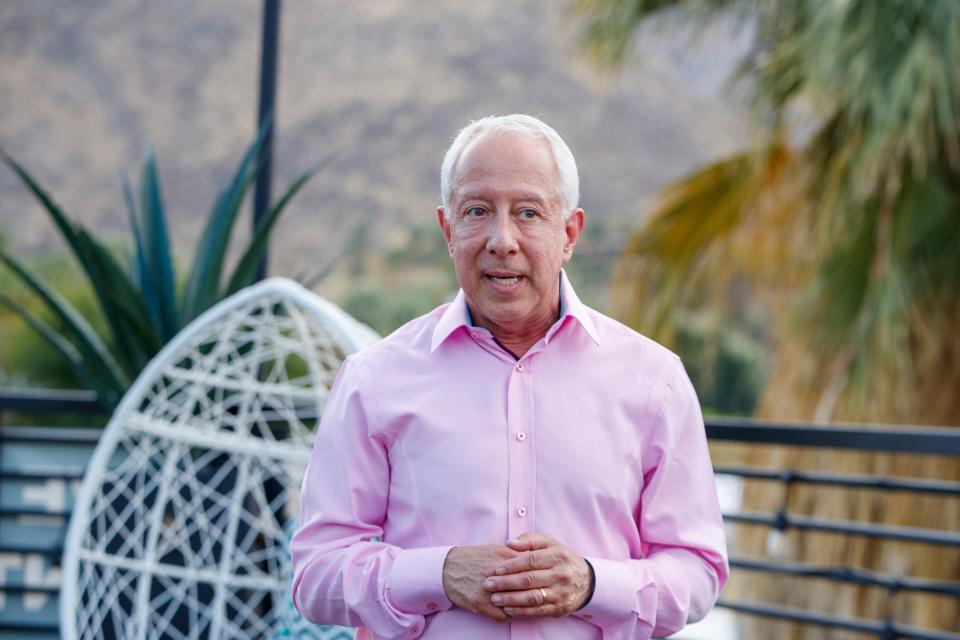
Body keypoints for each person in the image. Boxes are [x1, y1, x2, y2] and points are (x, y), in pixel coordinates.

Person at [291, 114, 728, 639]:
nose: (502, 239)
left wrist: (592, 584)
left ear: (569, 233)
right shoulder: (373, 381)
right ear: (449, 231)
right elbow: (316, 575)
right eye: (477, 211)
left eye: (528, 213)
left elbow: (698, 571)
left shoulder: (655, 382)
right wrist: (441, 573)